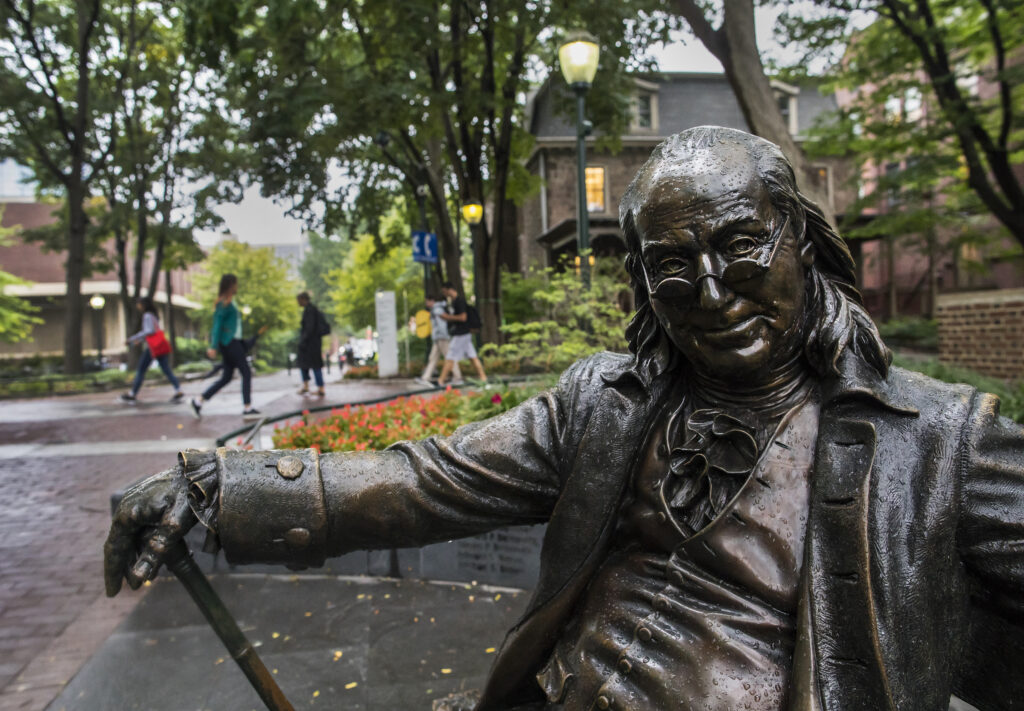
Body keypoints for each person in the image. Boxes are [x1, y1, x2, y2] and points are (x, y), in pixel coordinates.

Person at [105, 127, 1024, 711]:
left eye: (741, 244)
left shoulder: (940, 441)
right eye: (670, 265)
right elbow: (423, 478)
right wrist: (218, 484)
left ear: (806, 244)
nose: (709, 291)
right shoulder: (605, 402)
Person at [190, 274, 260, 420]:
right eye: (235, 284)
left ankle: (199, 400)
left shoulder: (230, 302)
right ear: (230, 285)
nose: (237, 286)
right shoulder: (224, 303)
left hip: (233, 342)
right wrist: (213, 346)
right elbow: (217, 325)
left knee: (227, 377)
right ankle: (247, 407)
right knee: (246, 372)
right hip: (229, 343)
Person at [120, 297, 184, 403]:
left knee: (141, 369)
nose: (138, 306)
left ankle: (132, 393)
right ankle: (178, 389)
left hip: (152, 348)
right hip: (159, 346)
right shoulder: (154, 315)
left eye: (139, 304)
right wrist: (139, 340)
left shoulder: (147, 315)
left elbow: (149, 331)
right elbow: (152, 331)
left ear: (143, 305)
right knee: (166, 369)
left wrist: (132, 339)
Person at [436, 282, 487, 387]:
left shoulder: (459, 302)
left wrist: (447, 317)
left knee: (450, 356)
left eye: (444, 291)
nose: (444, 294)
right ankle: (483, 378)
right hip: (464, 334)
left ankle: (440, 381)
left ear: (449, 289)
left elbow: (463, 317)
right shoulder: (455, 302)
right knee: (473, 357)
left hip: (461, 334)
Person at [415, 294, 462, 386]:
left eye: (427, 301)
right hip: (438, 338)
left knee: (449, 357)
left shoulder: (437, 310)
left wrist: (444, 336)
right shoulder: (437, 309)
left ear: (431, 301)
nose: (426, 303)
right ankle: (425, 377)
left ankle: (458, 377)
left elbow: (441, 325)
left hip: (441, 337)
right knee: (433, 358)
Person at [296, 292, 327, 397]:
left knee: (311, 365)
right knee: (311, 365)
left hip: (310, 344)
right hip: (313, 343)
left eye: (299, 300)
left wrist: (303, 341)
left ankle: (317, 387)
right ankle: (312, 387)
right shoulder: (312, 310)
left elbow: (309, 328)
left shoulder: (310, 311)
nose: (298, 302)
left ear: (304, 299)